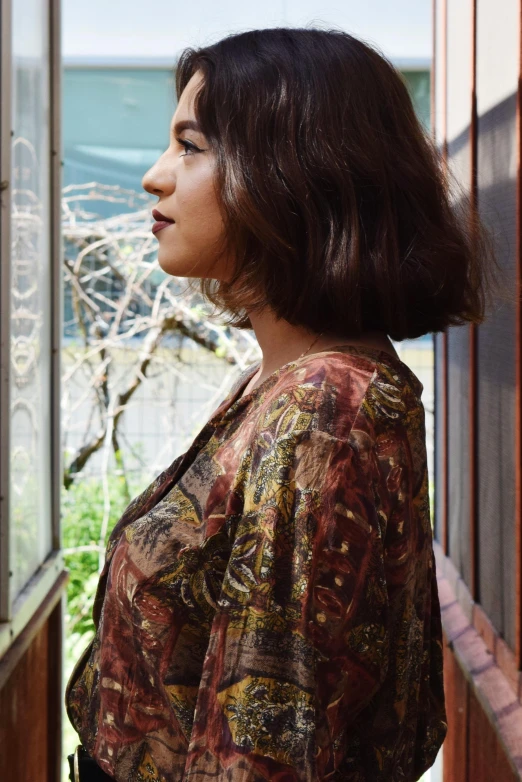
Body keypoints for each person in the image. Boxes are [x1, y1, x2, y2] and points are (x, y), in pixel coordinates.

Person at [65, 26, 494, 782]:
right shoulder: (286, 381)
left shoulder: (325, 412)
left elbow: (264, 749)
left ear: (291, 173)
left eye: (191, 146)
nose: (155, 177)